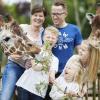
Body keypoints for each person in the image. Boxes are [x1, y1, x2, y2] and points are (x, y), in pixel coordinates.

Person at [1, 5, 46, 100]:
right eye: (35, 15)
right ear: (31, 16)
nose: (38, 18)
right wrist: (10, 54)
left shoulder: (44, 34)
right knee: (6, 96)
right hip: (15, 66)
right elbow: (5, 39)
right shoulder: (22, 28)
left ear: (44, 18)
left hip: (31, 72)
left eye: (41, 16)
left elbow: (44, 54)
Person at [45, 1, 82, 99]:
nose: (55, 16)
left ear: (65, 14)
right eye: (53, 13)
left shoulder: (74, 30)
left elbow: (81, 54)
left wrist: (81, 77)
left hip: (67, 76)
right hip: (48, 76)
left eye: (58, 14)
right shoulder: (47, 31)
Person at [16, 26, 59, 100]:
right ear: (43, 38)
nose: (50, 40)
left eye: (53, 38)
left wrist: (54, 81)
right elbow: (35, 66)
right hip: (25, 85)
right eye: (48, 37)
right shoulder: (35, 49)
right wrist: (45, 65)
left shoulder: (55, 60)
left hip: (39, 92)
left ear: (56, 41)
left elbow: (52, 75)